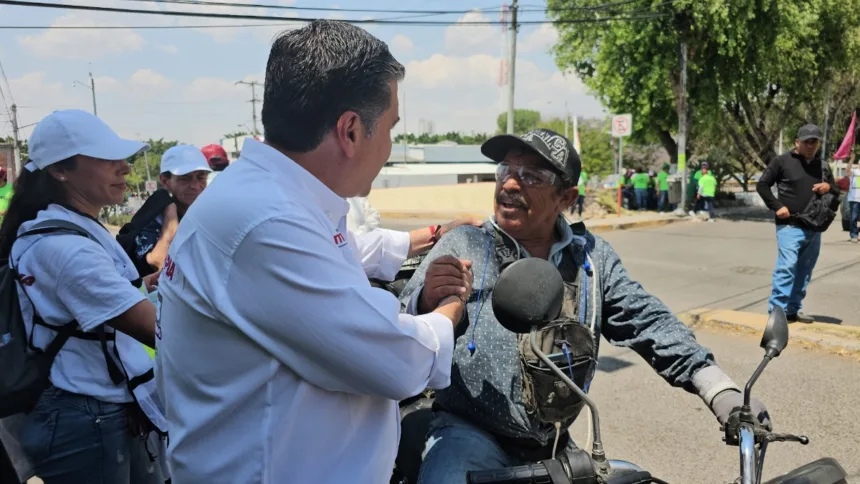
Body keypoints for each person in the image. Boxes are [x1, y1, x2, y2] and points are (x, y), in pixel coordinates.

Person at [155, 20, 471, 483]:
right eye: (389, 129)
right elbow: (397, 362)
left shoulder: (271, 197)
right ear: (349, 131)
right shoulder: (267, 222)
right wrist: (451, 307)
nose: (388, 149)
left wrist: (428, 241)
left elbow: (339, 256)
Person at [399, 128, 770, 484]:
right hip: (468, 432)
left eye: (531, 176)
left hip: (554, 443)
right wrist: (426, 301)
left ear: (566, 198)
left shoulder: (592, 260)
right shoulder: (464, 244)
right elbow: (396, 328)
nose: (510, 184)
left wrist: (721, 391)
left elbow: (649, 323)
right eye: (506, 171)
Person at [0, 109, 166, 483]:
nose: (124, 167)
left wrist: (151, 288)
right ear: (60, 170)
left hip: (96, 411)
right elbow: (152, 328)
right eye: (107, 159)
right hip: (88, 418)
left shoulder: (69, 228)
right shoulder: (64, 246)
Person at [756, 124, 840, 323]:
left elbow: (836, 191)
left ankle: (792, 310)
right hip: (790, 226)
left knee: (804, 271)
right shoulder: (782, 161)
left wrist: (828, 186)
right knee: (787, 268)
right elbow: (762, 185)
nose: (810, 145)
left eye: (814, 141)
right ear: (797, 142)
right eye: (806, 141)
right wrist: (777, 206)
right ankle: (776, 314)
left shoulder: (823, 166)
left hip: (814, 227)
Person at [124, 145, 211, 276]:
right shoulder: (154, 220)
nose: (194, 186)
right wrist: (171, 220)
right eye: (184, 178)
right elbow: (158, 262)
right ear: (165, 181)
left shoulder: (210, 213)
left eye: (200, 177)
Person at [846, 151, 859, 243]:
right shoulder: (854, 172)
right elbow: (847, 170)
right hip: (854, 199)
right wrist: (852, 159)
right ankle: (854, 235)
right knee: (853, 218)